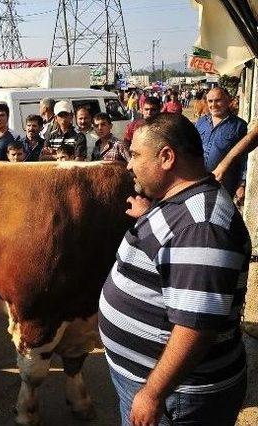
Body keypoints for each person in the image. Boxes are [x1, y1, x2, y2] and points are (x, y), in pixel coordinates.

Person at [99, 112, 250, 426]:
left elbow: (196, 326)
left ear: (166, 157)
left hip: (177, 398)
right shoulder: (178, 201)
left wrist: (154, 392)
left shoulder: (202, 226)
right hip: (156, 385)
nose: (129, 164)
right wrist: (150, 215)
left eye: (137, 155)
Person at [195, 87, 248, 204]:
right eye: (210, 101)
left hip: (224, 183)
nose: (213, 105)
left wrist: (242, 184)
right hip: (199, 181)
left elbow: (244, 158)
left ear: (228, 100)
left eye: (218, 100)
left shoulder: (239, 126)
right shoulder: (200, 122)